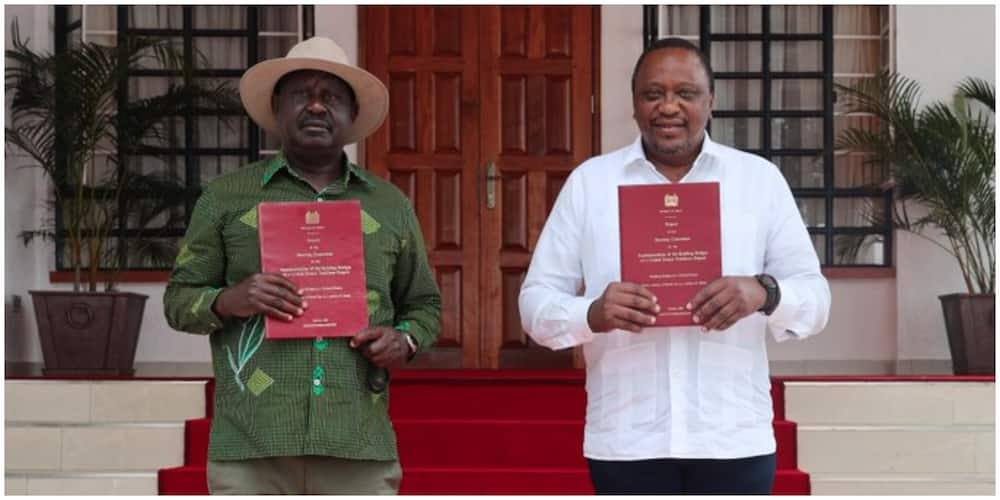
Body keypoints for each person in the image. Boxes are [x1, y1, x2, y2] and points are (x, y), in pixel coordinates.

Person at [518, 37, 831, 495]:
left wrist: (764, 292)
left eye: (685, 93)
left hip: (733, 436)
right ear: (634, 105)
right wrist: (591, 314)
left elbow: (815, 298)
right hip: (628, 437)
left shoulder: (757, 181)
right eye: (653, 93)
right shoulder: (591, 184)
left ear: (711, 102)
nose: (668, 107)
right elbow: (535, 303)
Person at [163, 37, 441, 495]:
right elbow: (178, 301)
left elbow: (424, 303)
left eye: (330, 97)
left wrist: (405, 338)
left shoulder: (390, 205)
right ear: (278, 108)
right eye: (301, 95)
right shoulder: (226, 199)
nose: (316, 106)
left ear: (352, 115)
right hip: (252, 444)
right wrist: (232, 299)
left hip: (356, 443)